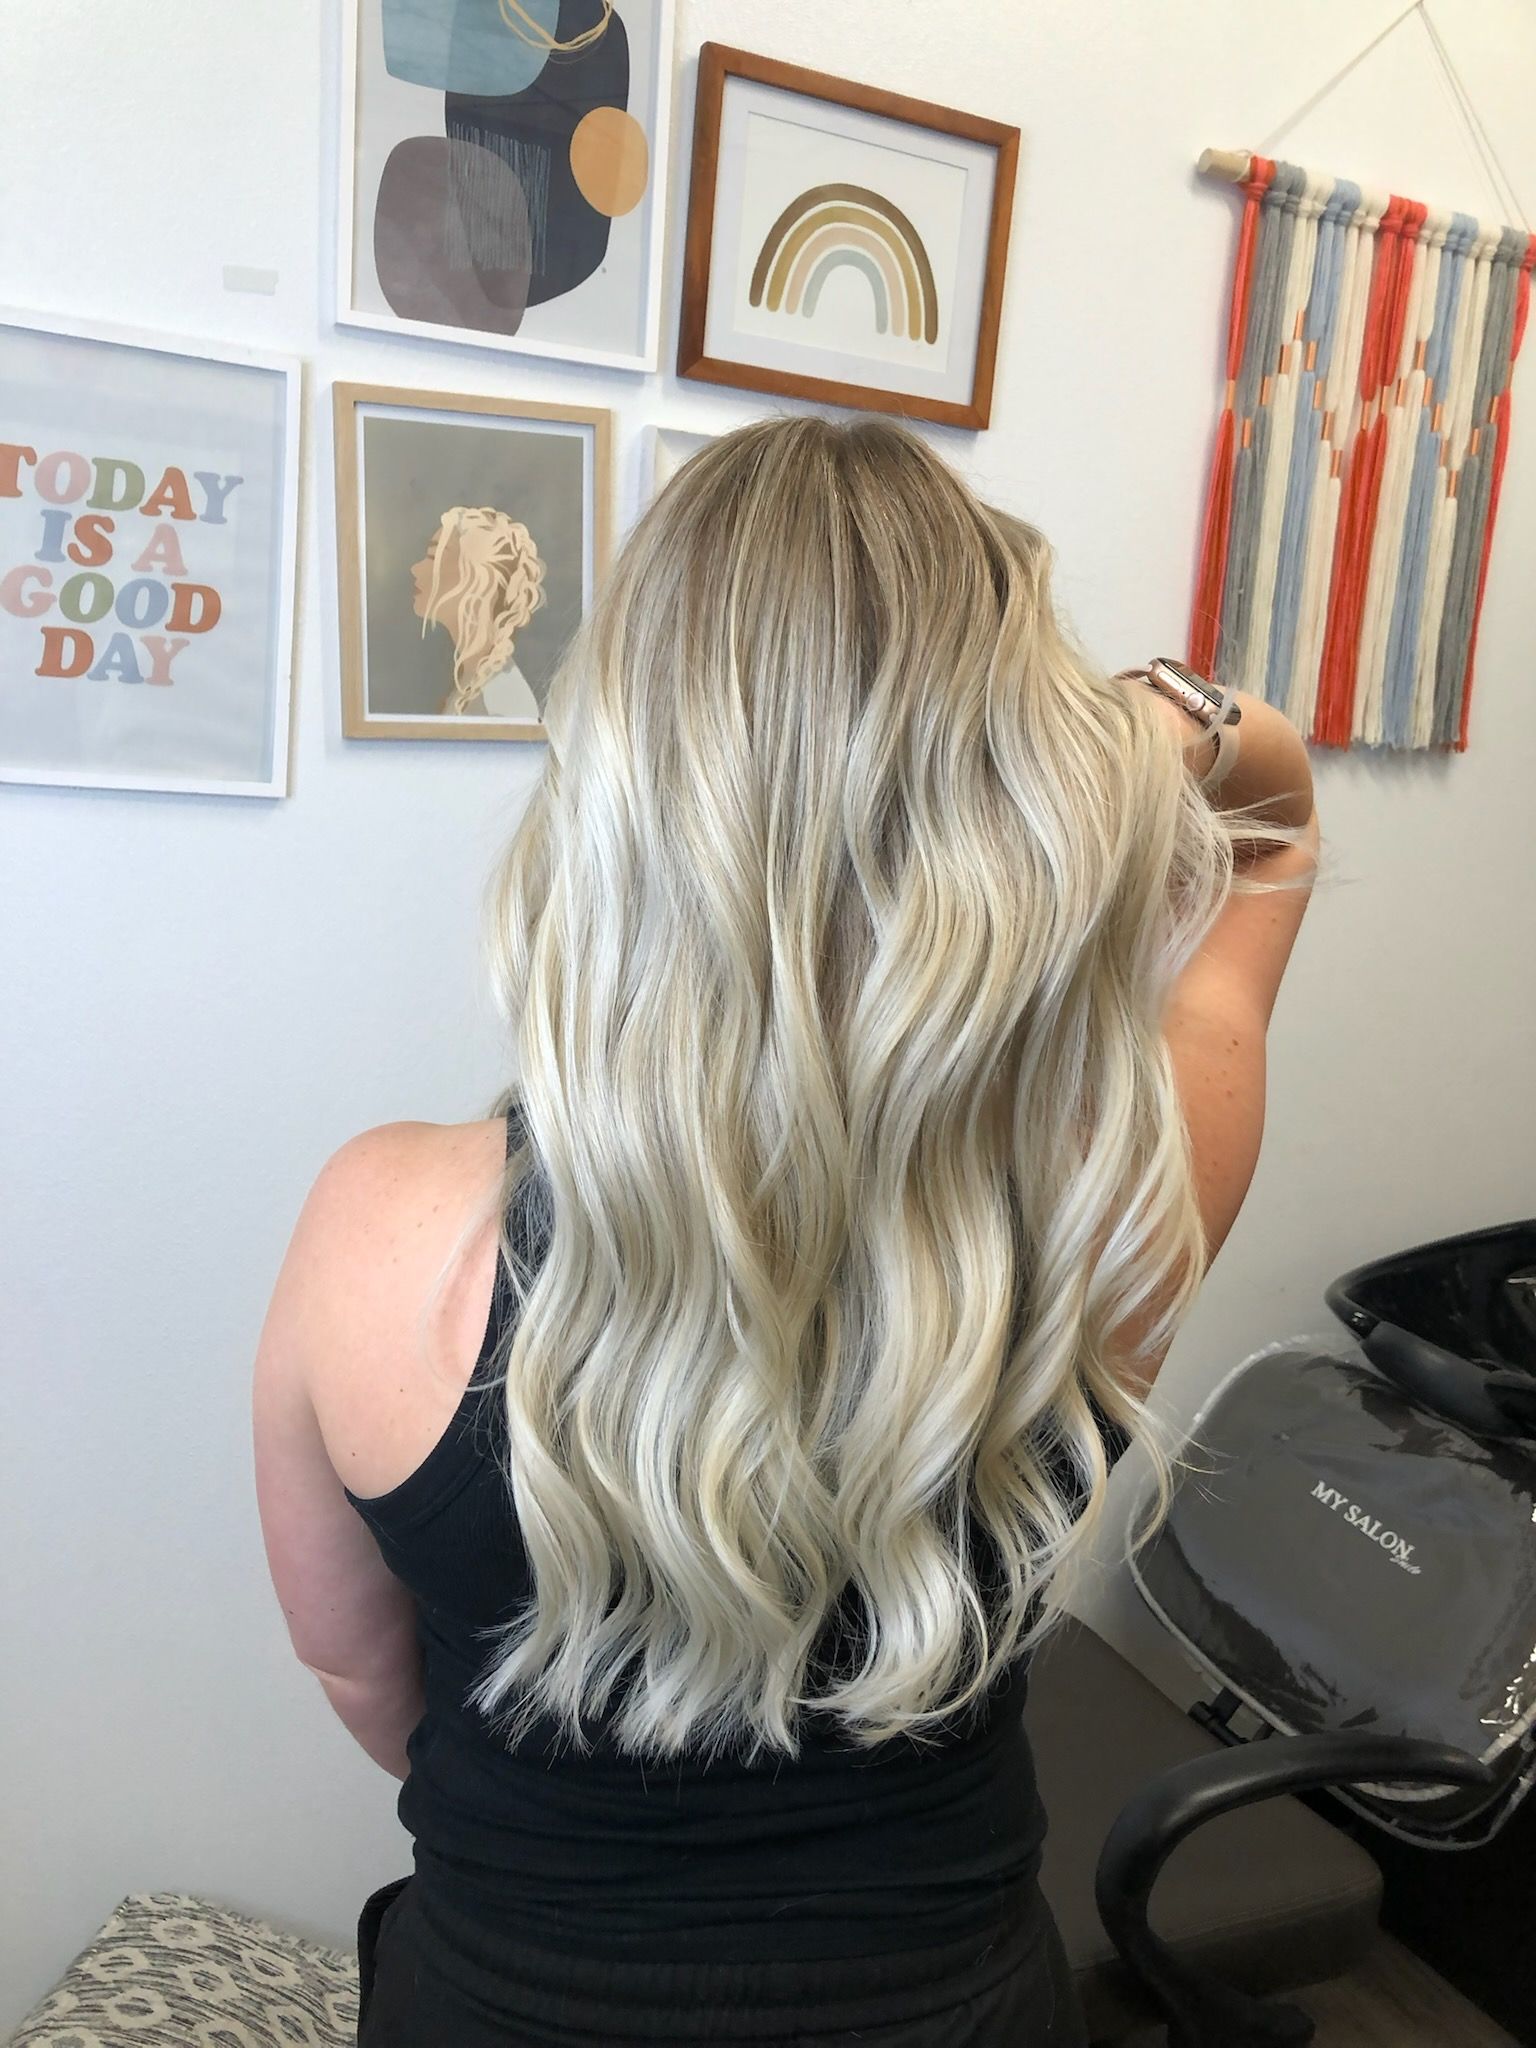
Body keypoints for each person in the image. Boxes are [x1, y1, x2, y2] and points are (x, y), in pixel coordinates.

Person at [254, 416, 1319, 2046]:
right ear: (1012, 788)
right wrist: (1159, 721)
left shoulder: (375, 1225)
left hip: (501, 1996)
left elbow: (356, 1672)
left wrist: (583, 1848)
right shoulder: (1112, 1198)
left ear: (619, 779)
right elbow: (1272, 836)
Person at [410, 504, 546, 720]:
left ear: (474, 582)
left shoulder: (501, 700)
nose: (416, 569)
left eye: (434, 557)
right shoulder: (473, 679)